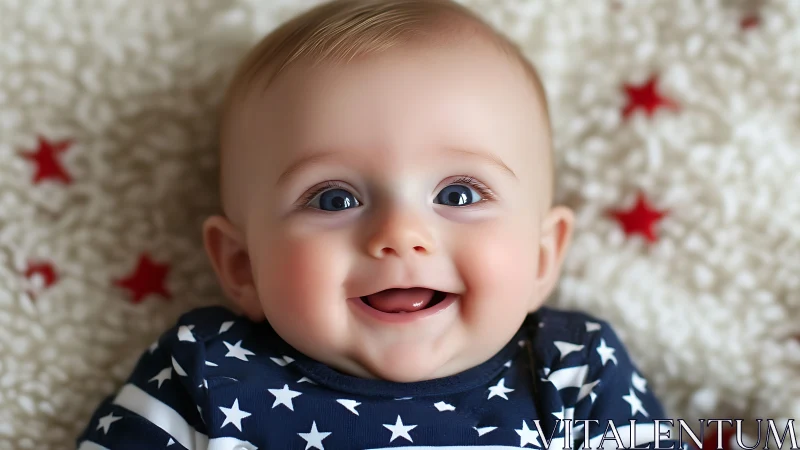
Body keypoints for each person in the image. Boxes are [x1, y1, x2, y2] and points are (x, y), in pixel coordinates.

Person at [78, 1, 682, 448]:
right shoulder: (208, 372)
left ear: (543, 257)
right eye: (334, 199)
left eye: (459, 193)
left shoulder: (574, 369)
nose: (399, 234)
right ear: (242, 266)